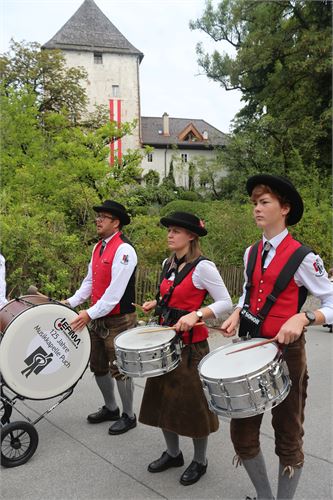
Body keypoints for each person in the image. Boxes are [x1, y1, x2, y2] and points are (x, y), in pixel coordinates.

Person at [221, 174, 333, 500]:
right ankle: (265, 496)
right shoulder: (250, 252)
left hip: (287, 355)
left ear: (284, 208)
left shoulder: (305, 257)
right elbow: (249, 295)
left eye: (264, 202)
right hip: (251, 350)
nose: (256, 208)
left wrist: (305, 316)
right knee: (242, 434)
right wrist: (236, 312)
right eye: (254, 202)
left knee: (287, 434)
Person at [139, 211, 232, 486]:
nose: (169, 234)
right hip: (164, 345)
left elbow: (225, 301)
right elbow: (169, 295)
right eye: (169, 230)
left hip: (191, 349)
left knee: (193, 408)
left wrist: (198, 315)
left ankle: (200, 460)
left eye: (176, 231)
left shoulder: (204, 267)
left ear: (191, 236)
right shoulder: (169, 263)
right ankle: (173, 453)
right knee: (162, 402)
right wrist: (154, 304)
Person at [65, 200, 138, 435]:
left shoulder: (125, 250)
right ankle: (111, 408)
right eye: (98, 217)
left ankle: (129, 415)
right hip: (97, 317)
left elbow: (115, 294)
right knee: (97, 366)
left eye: (103, 217)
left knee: (120, 368)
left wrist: (88, 313)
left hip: (119, 319)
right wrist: (71, 302)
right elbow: (89, 282)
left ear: (116, 223)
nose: (98, 220)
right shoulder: (98, 247)